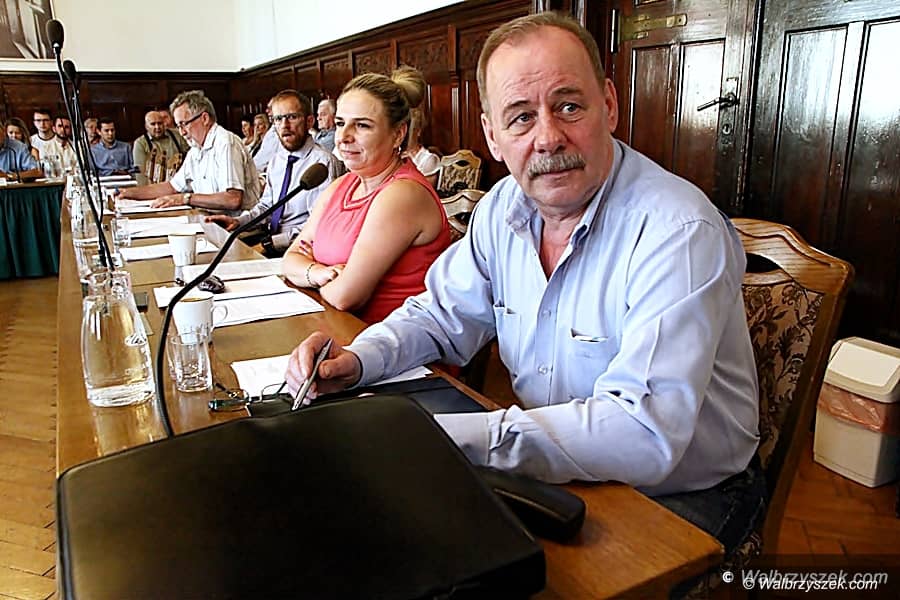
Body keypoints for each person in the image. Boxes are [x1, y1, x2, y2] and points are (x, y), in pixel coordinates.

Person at [286, 13, 764, 555]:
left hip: (681, 490)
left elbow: (643, 431)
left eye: (569, 106)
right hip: (556, 459)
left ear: (609, 105)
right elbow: (439, 315)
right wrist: (359, 359)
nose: (548, 138)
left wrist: (439, 435)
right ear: (492, 134)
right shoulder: (502, 208)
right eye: (520, 117)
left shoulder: (677, 230)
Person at [281, 66, 451, 324]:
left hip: (392, 342)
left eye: (362, 125)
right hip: (335, 327)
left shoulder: (404, 194)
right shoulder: (342, 185)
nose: (343, 137)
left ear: (398, 134)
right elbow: (289, 260)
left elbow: (345, 297)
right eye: (340, 123)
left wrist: (307, 274)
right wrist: (316, 273)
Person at [206, 90, 339, 257]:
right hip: (269, 239)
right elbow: (266, 207)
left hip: (299, 250)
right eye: (278, 119)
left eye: (292, 117)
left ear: (309, 121)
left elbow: (317, 226)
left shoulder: (322, 163)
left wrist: (270, 244)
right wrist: (238, 222)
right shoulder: (278, 160)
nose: (284, 125)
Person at [117, 90, 260, 216]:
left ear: (204, 118)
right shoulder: (195, 150)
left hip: (237, 228)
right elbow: (172, 187)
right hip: (208, 220)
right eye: (178, 126)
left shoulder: (226, 143)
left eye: (184, 124)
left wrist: (185, 198)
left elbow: (232, 199)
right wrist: (129, 193)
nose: (182, 132)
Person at [132, 110, 186, 184]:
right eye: (153, 124)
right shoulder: (140, 143)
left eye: (160, 123)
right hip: (154, 186)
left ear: (164, 124)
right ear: (146, 126)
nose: (157, 127)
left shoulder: (177, 135)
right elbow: (140, 174)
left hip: (180, 182)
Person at [402, 107, 440, 188]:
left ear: (418, 131)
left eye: (410, 131)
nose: (405, 136)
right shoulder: (395, 155)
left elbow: (426, 190)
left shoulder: (428, 160)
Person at [252, 98, 280, 172]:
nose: (267, 111)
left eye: (270, 108)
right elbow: (261, 156)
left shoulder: (280, 132)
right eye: (255, 125)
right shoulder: (271, 132)